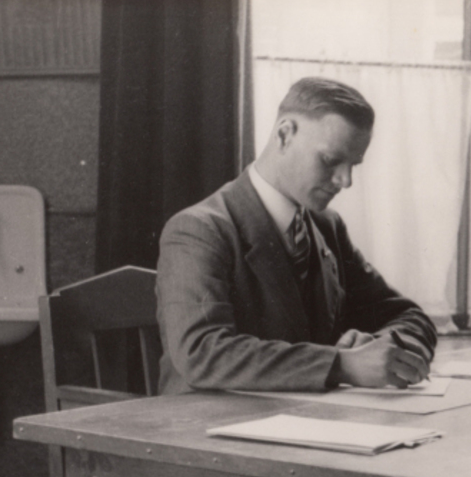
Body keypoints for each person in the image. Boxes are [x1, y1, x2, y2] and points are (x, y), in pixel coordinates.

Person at [156, 77, 437, 394]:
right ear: (284, 135)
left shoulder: (327, 226)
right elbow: (201, 352)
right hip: (204, 418)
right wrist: (342, 364)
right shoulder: (200, 230)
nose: (345, 181)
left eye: (353, 165)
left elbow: (407, 315)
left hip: (300, 414)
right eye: (330, 160)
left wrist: (381, 347)